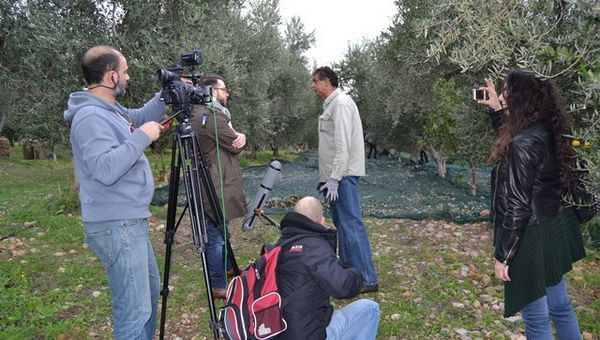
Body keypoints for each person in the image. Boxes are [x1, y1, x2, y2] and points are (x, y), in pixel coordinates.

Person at [63, 45, 167, 339]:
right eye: (125, 72)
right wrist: (142, 138)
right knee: (134, 312)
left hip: (129, 221)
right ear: (111, 77)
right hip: (116, 225)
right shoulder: (89, 118)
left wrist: (166, 94)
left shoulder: (110, 110)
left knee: (146, 300)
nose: (128, 77)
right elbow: (106, 168)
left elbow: (138, 116)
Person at [477, 69, 585, 339]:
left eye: (506, 93)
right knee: (560, 306)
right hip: (553, 225)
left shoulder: (523, 143)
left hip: (529, 237)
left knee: (536, 319)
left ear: (521, 98)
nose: (502, 96)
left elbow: (516, 206)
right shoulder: (548, 129)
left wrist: (505, 256)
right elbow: (515, 142)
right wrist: (497, 111)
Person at [311, 66, 379, 293]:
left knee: (351, 224)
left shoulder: (340, 104)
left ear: (326, 81)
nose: (313, 86)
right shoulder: (333, 104)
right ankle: (351, 272)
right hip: (337, 177)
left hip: (342, 177)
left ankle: (367, 278)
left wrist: (334, 178)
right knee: (343, 224)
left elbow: (343, 146)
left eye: (315, 81)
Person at [276, 196, 380, 339]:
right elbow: (343, 287)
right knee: (370, 308)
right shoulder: (314, 248)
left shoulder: (278, 246)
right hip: (306, 334)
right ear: (322, 221)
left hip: (276, 332)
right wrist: (355, 273)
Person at [190, 74, 247, 299]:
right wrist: (240, 135)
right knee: (215, 235)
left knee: (219, 229)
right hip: (214, 183)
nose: (227, 94)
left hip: (209, 180)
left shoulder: (202, 114)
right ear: (213, 92)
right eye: (224, 90)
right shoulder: (211, 117)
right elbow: (235, 144)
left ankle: (227, 267)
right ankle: (217, 284)